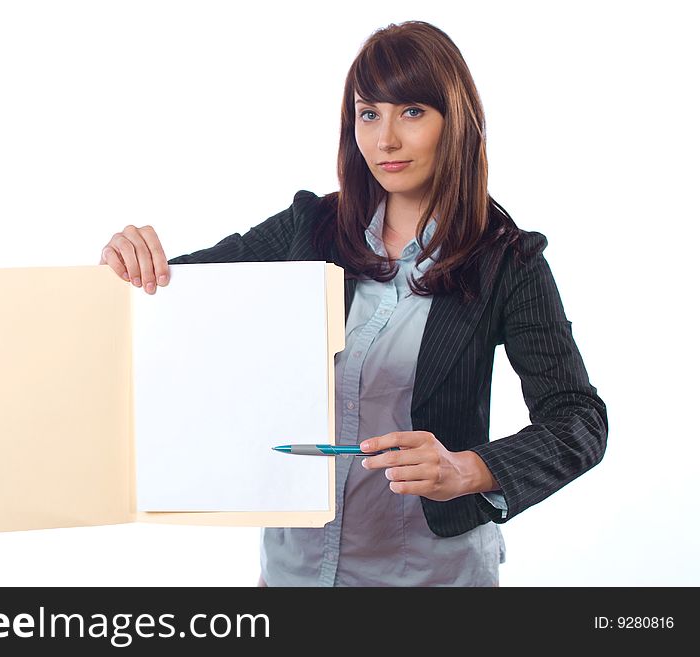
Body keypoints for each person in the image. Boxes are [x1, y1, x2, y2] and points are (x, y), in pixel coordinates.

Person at [98, 20, 607, 586]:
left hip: (430, 578)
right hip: (295, 574)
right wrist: (127, 261)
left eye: (412, 111)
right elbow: (173, 295)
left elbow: (578, 420)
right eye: (369, 113)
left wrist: (468, 469)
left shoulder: (506, 261)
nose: (385, 139)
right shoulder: (311, 228)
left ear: (454, 122)